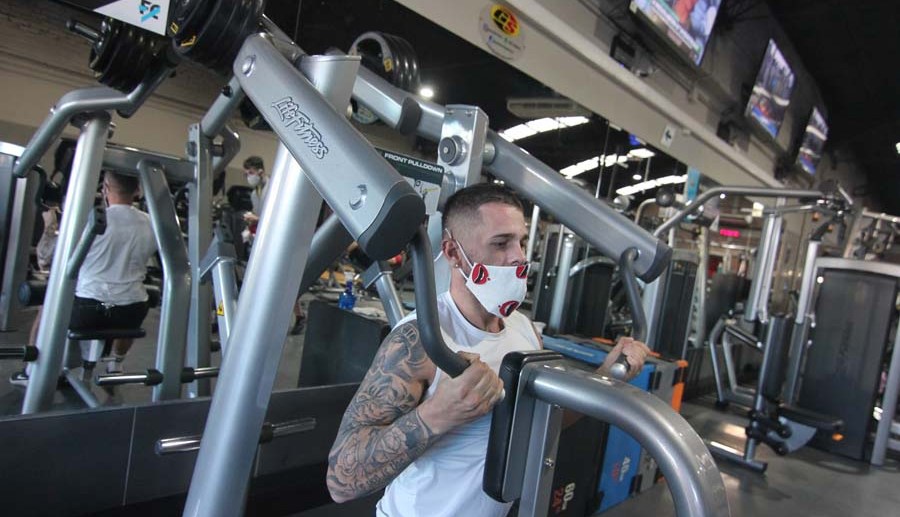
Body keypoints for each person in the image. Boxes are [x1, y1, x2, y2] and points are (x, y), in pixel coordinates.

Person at [326, 183, 650, 516]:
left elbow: (538, 424)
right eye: (501, 243)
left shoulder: (524, 331)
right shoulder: (419, 340)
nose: (519, 256)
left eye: (521, 241)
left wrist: (606, 375)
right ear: (453, 253)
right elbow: (341, 481)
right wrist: (437, 414)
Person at [10, 171, 157, 385]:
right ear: (137, 190)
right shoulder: (153, 223)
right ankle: (116, 365)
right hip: (130, 313)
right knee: (134, 299)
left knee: (46, 307)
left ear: (105, 188)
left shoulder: (92, 219)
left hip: (87, 310)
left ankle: (31, 371)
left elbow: (53, 258)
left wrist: (50, 227)